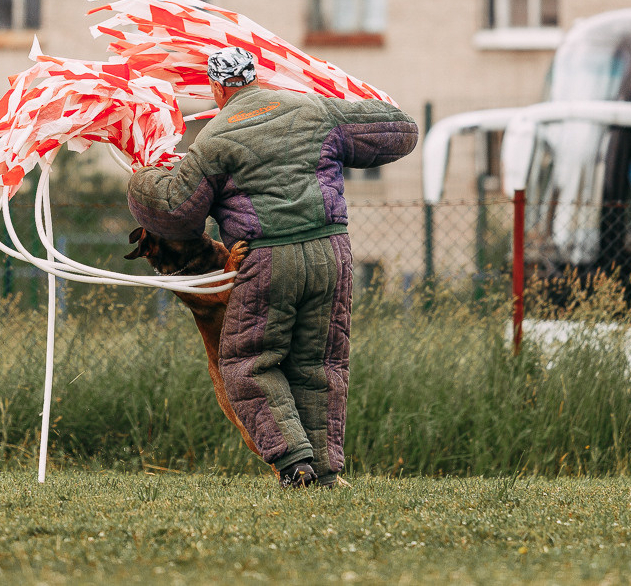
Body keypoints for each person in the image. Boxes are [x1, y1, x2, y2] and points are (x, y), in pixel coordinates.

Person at [126, 47, 418, 488]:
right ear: (256, 77)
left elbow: (175, 212)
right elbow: (400, 132)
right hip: (331, 255)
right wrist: (360, 103)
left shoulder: (215, 138)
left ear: (218, 87)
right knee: (321, 363)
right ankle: (326, 471)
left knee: (250, 361)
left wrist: (142, 178)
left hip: (267, 260)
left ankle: (294, 463)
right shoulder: (312, 108)